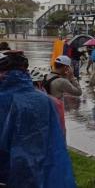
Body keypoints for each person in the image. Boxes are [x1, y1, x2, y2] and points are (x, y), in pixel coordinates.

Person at [0, 51, 76, 186]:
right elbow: (56, 142)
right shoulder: (47, 101)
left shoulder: (5, 100)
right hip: (38, 170)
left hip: (9, 171)